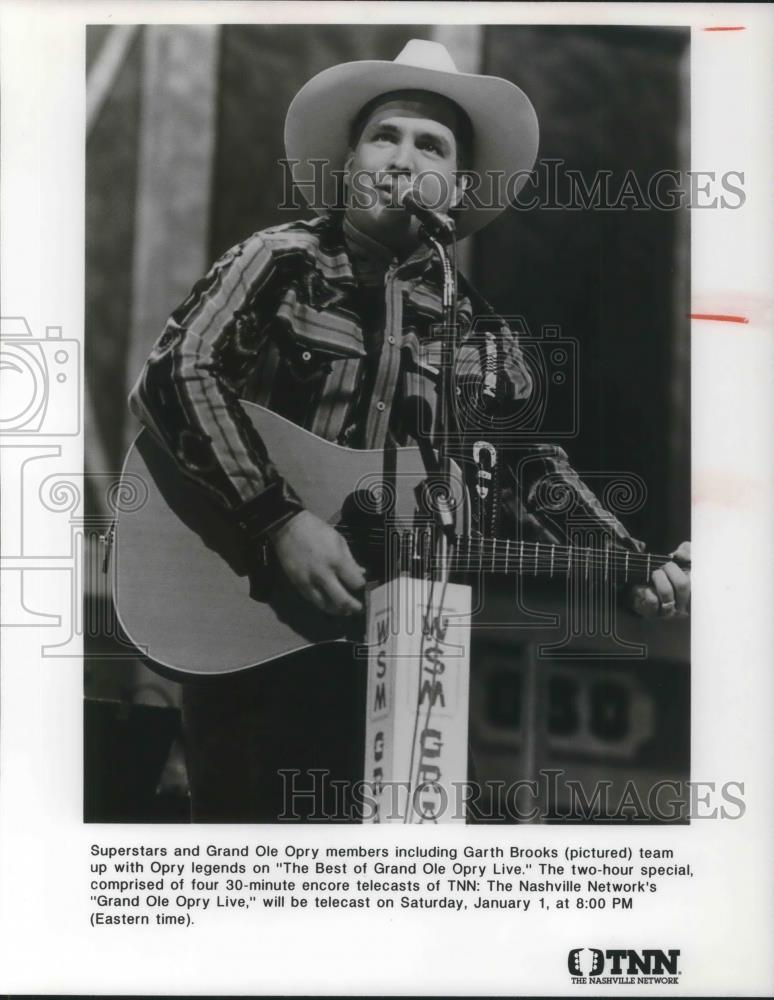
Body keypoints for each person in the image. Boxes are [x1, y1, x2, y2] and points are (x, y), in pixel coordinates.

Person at [129, 39, 690, 822]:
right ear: (350, 161)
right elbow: (175, 375)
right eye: (384, 135)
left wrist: (632, 563)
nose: (402, 157)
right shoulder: (280, 260)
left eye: (431, 146)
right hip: (254, 630)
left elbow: (532, 470)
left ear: (456, 187)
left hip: (411, 648)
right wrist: (281, 521)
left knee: (401, 887)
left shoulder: (486, 334)